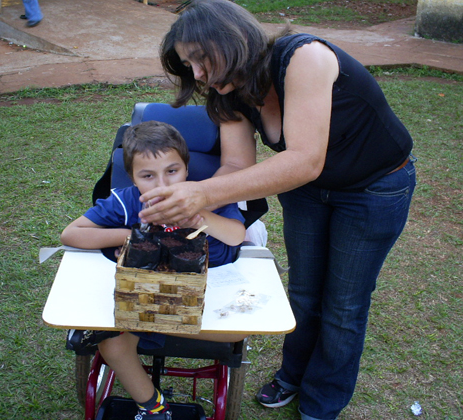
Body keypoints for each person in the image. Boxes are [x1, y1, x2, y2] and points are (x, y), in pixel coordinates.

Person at [137, 1, 417, 419]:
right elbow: (237, 166)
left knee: (344, 305)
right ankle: (293, 375)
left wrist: (202, 195)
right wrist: (192, 200)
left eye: (199, 58)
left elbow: (305, 159)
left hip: (374, 188)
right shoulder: (228, 91)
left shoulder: (305, 57)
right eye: (188, 65)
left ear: (230, 39)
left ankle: (322, 400)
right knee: (303, 293)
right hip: (307, 190)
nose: (197, 74)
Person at [60, 120, 247, 419]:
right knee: (112, 345)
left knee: (239, 331)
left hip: (207, 305)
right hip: (144, 299)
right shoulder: (127, 202)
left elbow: (237, 236)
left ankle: (134, 328)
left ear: (186, 168)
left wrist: (199, 216)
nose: (163, 185)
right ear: (133, 178)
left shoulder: (208, 195)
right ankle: (153, 406)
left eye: (172, 171)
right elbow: (71, 234)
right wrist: (132, 235)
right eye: (148, 176)